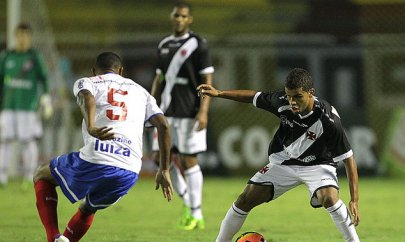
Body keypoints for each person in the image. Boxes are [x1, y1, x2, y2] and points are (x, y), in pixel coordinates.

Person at [197, 68, 360, 242]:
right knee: (245, 199)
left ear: (311, 93)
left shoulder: (329, 120)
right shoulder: (281, 101)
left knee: (328, 198)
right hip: (284, 162)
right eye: (289, 96)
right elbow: (253, 97)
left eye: (298, 96)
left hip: (318, 164)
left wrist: (354, 200)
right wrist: (219, 93)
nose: (292, 102)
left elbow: (349, 159)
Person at [33, 52, 173, 242]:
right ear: (121, 71)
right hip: (129, 170)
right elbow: (163, 125)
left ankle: (53, 237)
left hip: (98, 157)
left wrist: (91, 125)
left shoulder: (88, 82)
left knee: (42, 174)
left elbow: (86, 97)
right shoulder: (141, 91)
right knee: (88, 208)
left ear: (93, 71)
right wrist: (164, 169)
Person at [150, 2, 214, 230]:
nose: (179, 19)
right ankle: (189, 203)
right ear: (172, 17)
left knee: (188, 160)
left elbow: (207, 80)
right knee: (160, 159)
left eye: (183, 16)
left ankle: (196, 213)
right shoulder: (164, 44)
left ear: (190, 20)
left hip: (189, 109)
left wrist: (203, 110)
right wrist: (150, 103)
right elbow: (159, 77)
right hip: (166, 111)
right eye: (176, 15)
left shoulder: (198, 44)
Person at [0, 23, 52, 187]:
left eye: (25, 35)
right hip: (8, 106)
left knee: (28, 141)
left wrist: (46, 99)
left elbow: (44, 79)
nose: (21, 38)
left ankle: (30, 176)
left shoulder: (35, 57)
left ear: (29, 37)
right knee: (4, 141)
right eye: (19, 35)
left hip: (28, 108)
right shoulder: (7, 56)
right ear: (15, 36)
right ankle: (2, 177)